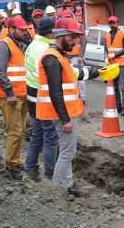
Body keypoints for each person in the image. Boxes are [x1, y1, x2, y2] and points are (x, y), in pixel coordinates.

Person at [36, 18, 99, 197]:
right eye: (73, 37)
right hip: (61, 114)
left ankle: (68, 184)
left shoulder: (60, 56)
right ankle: (56, 190)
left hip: (63, 112)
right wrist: (65, 119)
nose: (75, 41)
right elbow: (56, 92)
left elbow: (70, 80)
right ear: (61, 35)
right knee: (67, 152)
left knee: (66, 151)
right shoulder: (52, 58)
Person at [0, 16, 30, 179]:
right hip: (10, 97)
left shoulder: (20, 45)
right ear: (11, 29)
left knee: (19, 131)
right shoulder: (4, 45)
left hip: (20, 95)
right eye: (21, 29)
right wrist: (9, 93)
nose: (24, 32)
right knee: (15, 131)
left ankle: (14, 162)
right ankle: (12, 165)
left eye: (24, 29)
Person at [22, 16, 59, 181]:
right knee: (51, 137)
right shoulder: (43, 49)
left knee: (37, 135)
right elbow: (47, 77)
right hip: (42, 98)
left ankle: (29, 170)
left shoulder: (33, 45)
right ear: (50, 32)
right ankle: (51, 175)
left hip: (32, 96)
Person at [104, 15, 124, 116]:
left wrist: (115, 54)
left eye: (113, 23)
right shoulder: (107, 35)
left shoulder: (123, 34)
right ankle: (118, 107)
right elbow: (106, 48)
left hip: (122, 64)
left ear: (117, 23)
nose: (112, 25)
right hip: (111, 65)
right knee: (114, 88)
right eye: (110, 23)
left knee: (123, 87)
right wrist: (106, 57)